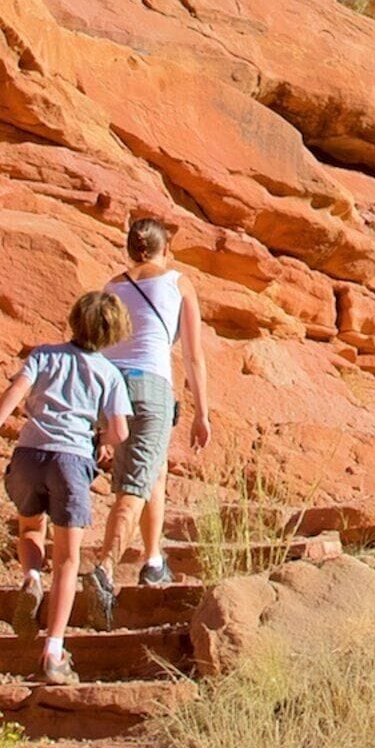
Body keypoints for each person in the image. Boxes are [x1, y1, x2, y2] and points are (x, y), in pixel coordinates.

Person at [0, 290, 132, 686]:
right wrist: (99, 437)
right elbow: (119, 431)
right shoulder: (110, 374)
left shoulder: (44, 355)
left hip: (29, 454)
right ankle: (53, 649)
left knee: (29, 529)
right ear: (114, 332)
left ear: (74, 319)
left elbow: (14, 393)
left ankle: (30, 578)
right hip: (72, 461)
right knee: (67, 559)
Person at [99, 216, 213, 607]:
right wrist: (202, 413)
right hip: (151, 387)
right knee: (133, 487)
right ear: (166, 249)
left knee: (154, 471)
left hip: (110, 387)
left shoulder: (112, 286)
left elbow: (99, 344)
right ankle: (105, 569)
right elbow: (193, 356)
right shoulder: (178, 283)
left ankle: (152, 559)